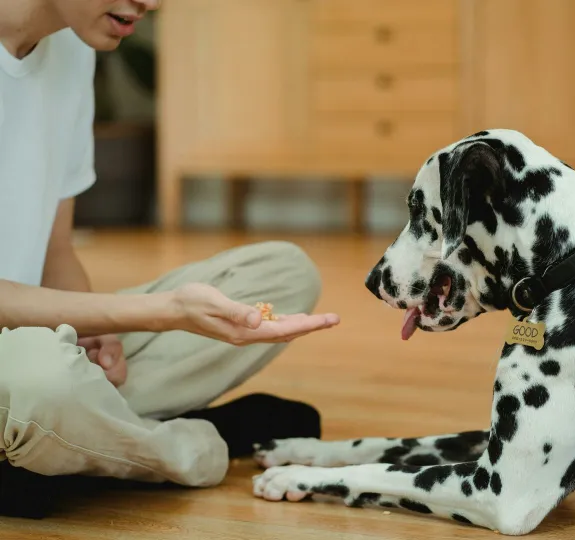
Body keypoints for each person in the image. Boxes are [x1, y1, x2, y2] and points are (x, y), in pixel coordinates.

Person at [0, 0, 340, 519]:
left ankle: (68, 446)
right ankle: (190, 449)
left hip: (32, 341)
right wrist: (164, 311)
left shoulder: (72, 46)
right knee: (42, 381)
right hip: (23, 367)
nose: (152, 3)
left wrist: (94, 332)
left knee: (282, 273)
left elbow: (56, 249)